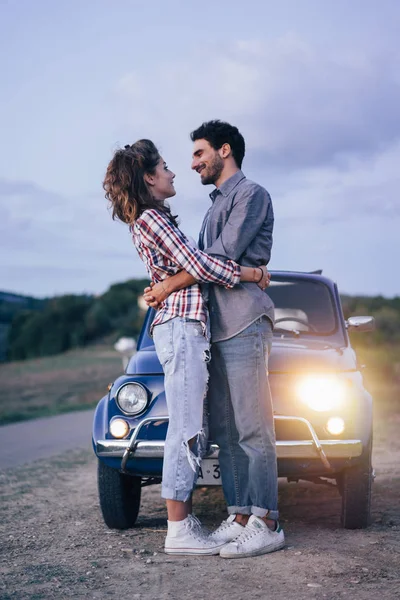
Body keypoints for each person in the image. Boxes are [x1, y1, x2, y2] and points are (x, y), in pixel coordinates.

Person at [103, 139, 270, 556]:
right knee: (185, 429)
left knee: (194, 427)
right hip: (180, 326)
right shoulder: (151, 219)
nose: (174, 171)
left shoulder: (154, 218)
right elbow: (199, 264)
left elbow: (188, 266)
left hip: (185, 324)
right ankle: (178, 529)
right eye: (164, 166)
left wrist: (164, 285)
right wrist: (250, 273)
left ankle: (186, 522)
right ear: (148, 178)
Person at [144, 120, 285, 559]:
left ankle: (268, 521)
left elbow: (217, 259)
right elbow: (204, 263)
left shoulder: (251, 194)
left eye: (200, 154)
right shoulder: (212, 207)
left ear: (224, 150)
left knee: (252, 427)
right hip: (214, 329)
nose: (192, 164)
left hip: (244, 322)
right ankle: (241, 514)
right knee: (225, 429)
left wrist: (166, 286)